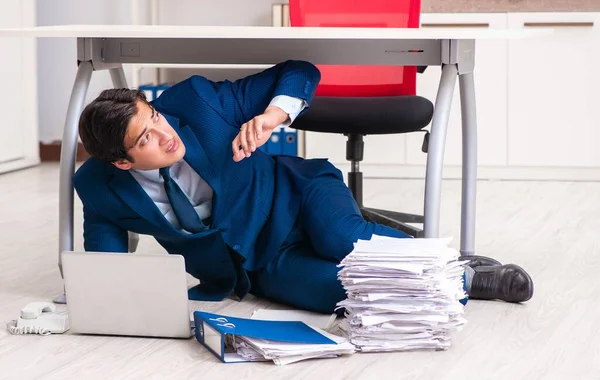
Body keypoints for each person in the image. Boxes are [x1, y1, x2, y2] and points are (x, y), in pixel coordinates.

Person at [74, 60, 533, 313]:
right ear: (120, 160)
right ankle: (410, 256)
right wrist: (97, 300)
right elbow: (107, 265)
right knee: (336, 291)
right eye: (145, 138)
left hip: (296, 194)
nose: (164, 132)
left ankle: (465, 274)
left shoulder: (194, 103)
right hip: (261, 262)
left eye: (152, 116)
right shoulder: (97, 185)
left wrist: (272, 116)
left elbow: (299, 70)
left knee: (341, 238)